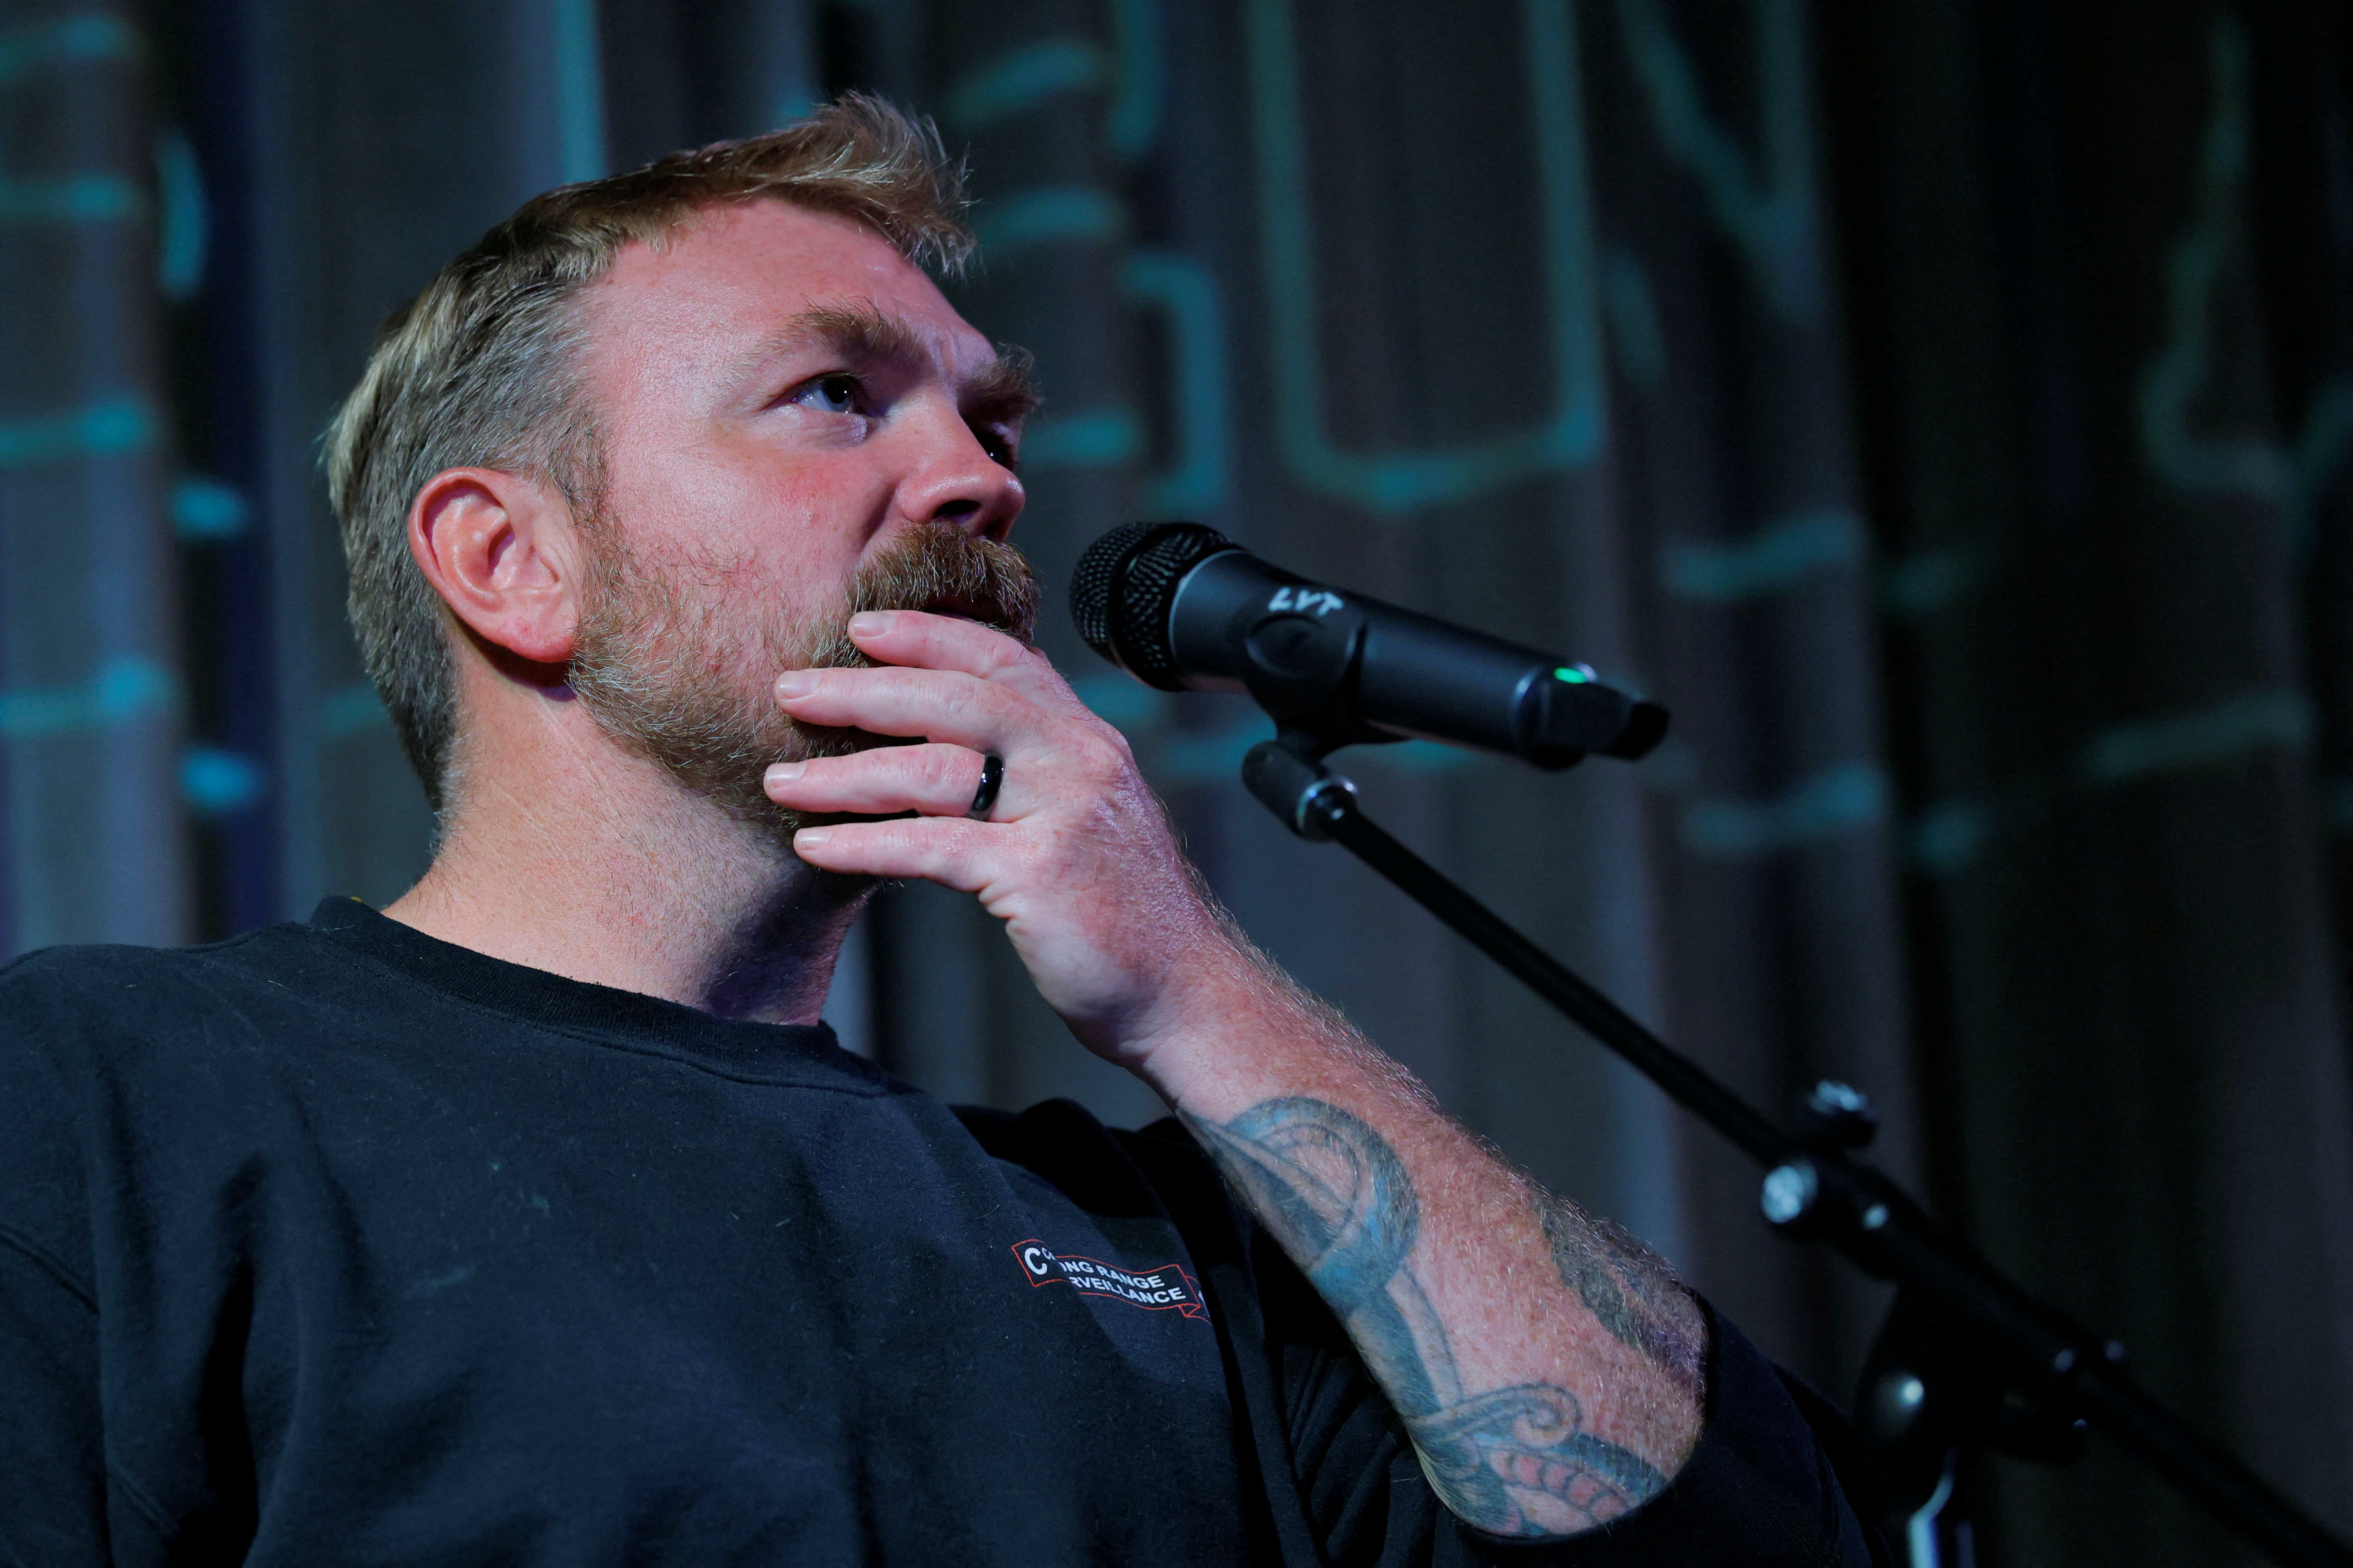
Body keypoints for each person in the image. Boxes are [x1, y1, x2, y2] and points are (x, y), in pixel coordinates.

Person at [0, 98, 1877, 1566]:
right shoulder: (116, 1099)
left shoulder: (1159, 1233)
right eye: (836, 396)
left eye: (991, 419)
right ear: (513, 561)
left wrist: (1192, 984)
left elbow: (1721, 1540)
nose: (982, 475)